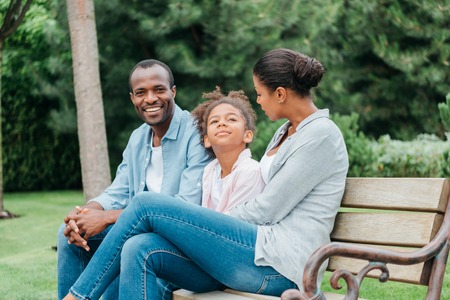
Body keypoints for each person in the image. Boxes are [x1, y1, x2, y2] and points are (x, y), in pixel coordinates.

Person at [63, 48, 349, 300]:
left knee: (144, 204)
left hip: (283, 266)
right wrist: (210, 233)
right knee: (140, 247)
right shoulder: (284, 132)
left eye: (260, 94)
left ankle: (78, 296)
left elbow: (268, 208)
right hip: (253, 253)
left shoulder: (321, 134)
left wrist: (211, 228)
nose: (258, 101)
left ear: (281, 94)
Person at [57, 59, 211, 300]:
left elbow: (185, 205)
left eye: (158, 90)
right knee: (68, 234)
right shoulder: (138, 138)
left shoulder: (196, 132)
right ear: (132, 98)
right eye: (141, 93)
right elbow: (117, 191)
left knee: (134, 246)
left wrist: (107, 217)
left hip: (179, 246)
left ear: (173, 91)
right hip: (136, 234)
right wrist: (86, 213)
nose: (150, 99)